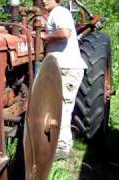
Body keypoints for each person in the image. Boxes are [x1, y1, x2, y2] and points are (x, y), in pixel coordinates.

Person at [40, 0, 88, 160]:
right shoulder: (53, 14)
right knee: (58, 106)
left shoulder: (60, 12)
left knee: (62, 107)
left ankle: (62, 148)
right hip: (61, 68)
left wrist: (45, 36)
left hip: (68, 68)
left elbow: (65, 33)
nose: (44, 0)